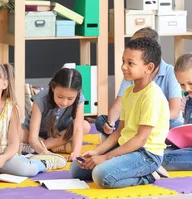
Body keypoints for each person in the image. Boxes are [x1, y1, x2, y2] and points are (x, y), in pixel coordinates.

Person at [70, 37, 170, 188]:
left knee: (101, 176)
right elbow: (119, 131)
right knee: (77, 169)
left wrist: (105, 158)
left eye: (130, 63)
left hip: (146, 155)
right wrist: (96, 152)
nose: (123, 67)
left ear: (148, 68)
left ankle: (147, 176)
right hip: (126, 148)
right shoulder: (129, 91)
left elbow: (140, 140)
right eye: (123, 61)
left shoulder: (152, 95)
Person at [95, 27, 182, 140]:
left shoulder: (170, 72)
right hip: (136, 122)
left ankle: (122, 140)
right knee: (101, 120)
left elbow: (174, 112)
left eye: (136, 45)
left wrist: (144, 120)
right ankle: (123, 139)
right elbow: (118, 105)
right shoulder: (133, 72)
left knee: (176, 127)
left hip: (160, 122)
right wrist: (110, 123)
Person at [20, 68, 90, 162]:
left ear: (77, 93)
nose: (64, 102)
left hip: (60, 134)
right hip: (37, 135)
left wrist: (76, 152)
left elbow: (78, 128)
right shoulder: (40, 100)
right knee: (17, 133)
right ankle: (56, 147)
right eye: (60, 97)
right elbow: (33, 137)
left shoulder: (80, 98)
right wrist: (45, 153)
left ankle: (37, 147)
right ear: (53, 88)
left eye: (70, 99)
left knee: (85, 126)